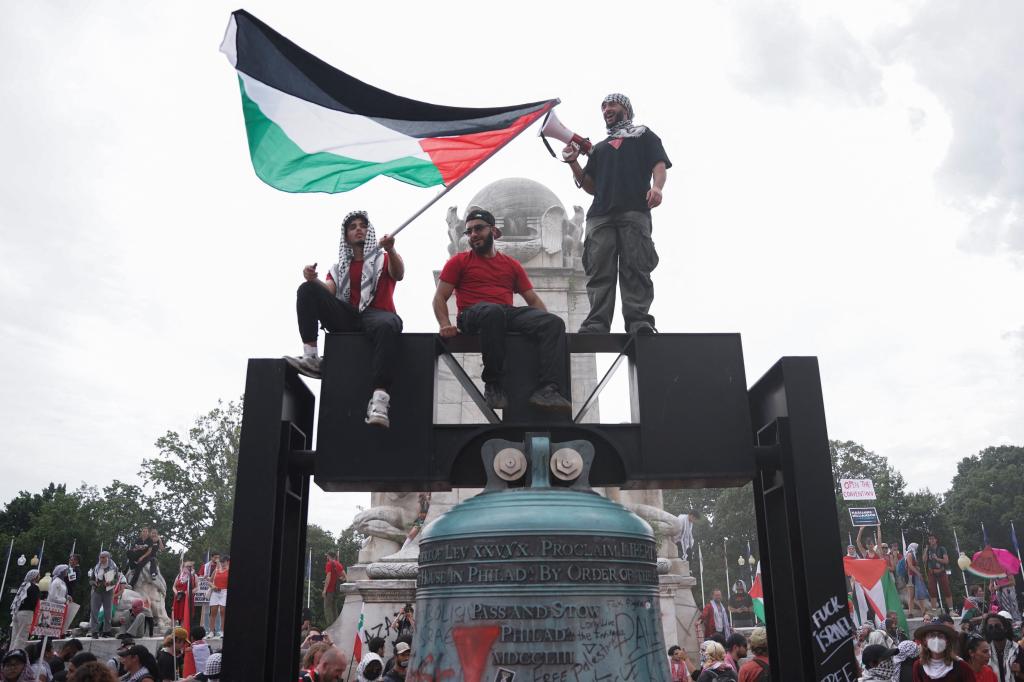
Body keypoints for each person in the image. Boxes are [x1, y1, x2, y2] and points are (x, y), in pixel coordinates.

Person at [432, 208, 571, 412]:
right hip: (471, 315)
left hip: (503, 313)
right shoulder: (459, 261)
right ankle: (493, 384)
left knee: (553, 323)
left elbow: (532, 299)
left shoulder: (511, 265)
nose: (473, 235)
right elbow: (439, 297)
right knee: (493, 312)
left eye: (478, 229)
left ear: (494, 232)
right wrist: (445, 324)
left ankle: (548, 389)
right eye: (468, 231)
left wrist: (543, 323)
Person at [562, 93, 670, 335]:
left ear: (626, 109)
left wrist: (657, 187)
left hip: (635, 210)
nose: (606, 109)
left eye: (612, 104)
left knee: (636, 266)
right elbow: (591, 186)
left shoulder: (643, 134)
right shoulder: (600, 148)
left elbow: (659, 164)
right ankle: (597, 323)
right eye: (603, 106)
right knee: (599, 270)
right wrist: (572, 163)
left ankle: (638, 321)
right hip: (600, 215)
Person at [286, 210, 404, 428]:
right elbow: (329, 291)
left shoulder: (384, 258)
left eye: (363, 225)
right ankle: (311, 356)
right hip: (349, 316)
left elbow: (398, 274)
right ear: (346, 235)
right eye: (353, 227)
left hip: (378, 314)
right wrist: (313, 280)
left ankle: (379, 400)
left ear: (369, 232)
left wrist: (391, 248)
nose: (359, 229)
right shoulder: (339, 267)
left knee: (388, 324)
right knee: (307, 290)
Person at [911, 621, 975, 680]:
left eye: (940, 636)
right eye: (932, 635)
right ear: (925, 640)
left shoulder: (961, 666)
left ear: (947, 641)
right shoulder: (918, 666)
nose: (936, 639)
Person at [982, 612, 1020, 682]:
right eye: (990, 627)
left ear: (1005, 628)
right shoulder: (984, 652)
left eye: (997, 626)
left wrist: (1020, 671)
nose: (994, 629)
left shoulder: (1018, 650)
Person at [9, 569, 41, 649]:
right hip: (27, 613)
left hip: (17, 612)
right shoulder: (34, 587)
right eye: (38, 575)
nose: (39, 577)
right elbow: (34, 601)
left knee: (14, 636)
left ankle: (10, 654)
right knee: (22, 636)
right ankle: (17, 656)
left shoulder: (23, 585)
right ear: (35, 577)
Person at [89, 552, 118, 638]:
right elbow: (91, 580)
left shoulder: (113, 567)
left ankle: (106, 631)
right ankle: (94, 631)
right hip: (97, 591)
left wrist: (110, 582)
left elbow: (116, 579)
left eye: (103, 557)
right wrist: (94, 583)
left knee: (108, 612)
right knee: (94, 611)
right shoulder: (97, 567)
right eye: (100, 557)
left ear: (108, 558)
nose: (101, 559)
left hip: (108, 591)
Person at [926, 534, 953, 613]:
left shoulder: (941, 549)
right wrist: (925, 550)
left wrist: (937, 558)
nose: (931, 540)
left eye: (933, 539)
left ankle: (951, 610)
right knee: (932, 591)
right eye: (930, 539)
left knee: (946, 590)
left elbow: (946, 561)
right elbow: (924, 560)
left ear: (936, 540)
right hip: (932, 572)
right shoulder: (928, 549)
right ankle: (934, 611)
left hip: (941, 571)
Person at [322, 551, 347, 628]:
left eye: (327, 556)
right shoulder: (338, 564)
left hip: (330, 590)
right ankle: (337, 625)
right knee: (334, 607)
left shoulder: (329, 564)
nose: (327, 557)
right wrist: (341, 579)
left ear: (329, 556)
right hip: (336, 590)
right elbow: (345, 576)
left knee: (327, 608)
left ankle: (330, 627)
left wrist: (324, 590)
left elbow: (328, 576)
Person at [906, 543, 930, 618]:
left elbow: (921, 562)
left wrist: (925, 550)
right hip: (911, 576)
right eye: (916, 547)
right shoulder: (910, 554)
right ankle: (911, 612)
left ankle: (922, 611)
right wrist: (918, 573)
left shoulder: (913, 555)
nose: (917, 548)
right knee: (911, 595)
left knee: (919, 594)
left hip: (914, 576)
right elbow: (910, 565)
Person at [172, 560, 197, 628]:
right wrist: (176, 592)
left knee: (185, 614)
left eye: (189, 566)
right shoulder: (179, 575)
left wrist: (189, 592)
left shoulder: (194, 576)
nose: (187, 568)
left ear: (192, 567)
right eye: (186, 566)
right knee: (175, 613)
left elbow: (197, 588)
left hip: (187, 597)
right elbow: (174, 586)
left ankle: (184, 628)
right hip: (178, 597)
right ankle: (174, 629)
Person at [209, 556, 229, 637]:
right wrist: (213, 586)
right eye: (221, 562)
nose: (222, 563)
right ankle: (211, 631)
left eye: (224, 562)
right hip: (215, 592)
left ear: (228, 562)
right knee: (213, 612)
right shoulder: (216, 571)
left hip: (224, 592)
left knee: (223, 612)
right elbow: (209, 582)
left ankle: (222, 631)